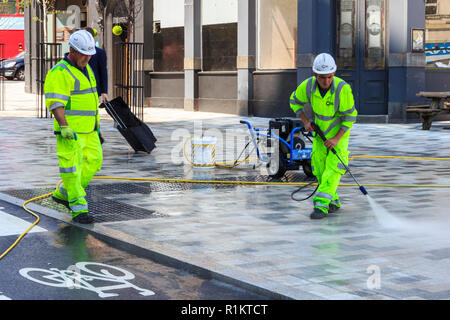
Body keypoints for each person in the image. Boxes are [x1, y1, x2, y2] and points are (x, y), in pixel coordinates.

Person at [44, 29, 102, 224]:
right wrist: (64, 126)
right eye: (84, 54)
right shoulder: (59, 72)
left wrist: (97, 127)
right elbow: (55, 103)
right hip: (71, 131)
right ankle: (78, 208)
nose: (87, 58)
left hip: (91, 129)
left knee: (95, 162)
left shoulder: (87, 69)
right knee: (71, 169)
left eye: (89, 54)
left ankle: (63, 193)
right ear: (73, 51)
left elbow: (90, 100)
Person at [289, 53, 357, 219]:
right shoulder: (308, 86)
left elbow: (350, 116)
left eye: (329, 77)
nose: (326, 81)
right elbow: (294, 101)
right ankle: (333, 200)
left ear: (334, 74)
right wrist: (305, 121)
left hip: (339, 135)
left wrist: (336, 139)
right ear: (315, 75)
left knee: (333, 168)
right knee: (319, 167)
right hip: (320, 134)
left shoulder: (342, 89)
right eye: (321, 78)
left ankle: (321, 205)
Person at [83, 27, 108, 104]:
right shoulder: (77, 52)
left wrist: (104, 91)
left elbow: (103, 72)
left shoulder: (99, 53)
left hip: (93, 89)